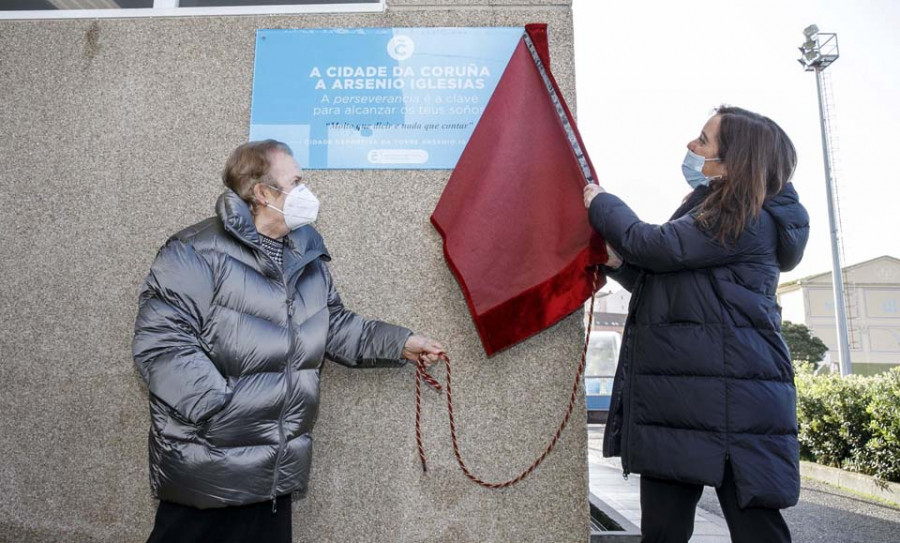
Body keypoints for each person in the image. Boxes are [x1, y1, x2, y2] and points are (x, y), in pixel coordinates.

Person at [132, 140, 444, 543]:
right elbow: (161, 345)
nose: (306, 191)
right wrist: (222, 409)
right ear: (262, 192)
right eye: (296, 181)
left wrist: (401, 343)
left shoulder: (304, 256)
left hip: (273, 468)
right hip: (208, 466)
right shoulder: (194, 251)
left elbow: (335, 327)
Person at [583, 106, 809, 543]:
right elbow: (668, 284)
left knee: (757, 531)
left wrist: (600, 201)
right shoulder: (717, 210)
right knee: (663, 533)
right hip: (686, 399)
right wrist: (616, 264)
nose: (692, 146)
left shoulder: (747, 217)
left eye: (704, 141)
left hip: (732, 406)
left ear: (737, 159)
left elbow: (651, 245)